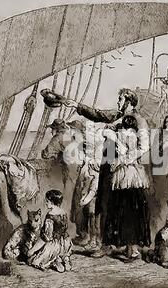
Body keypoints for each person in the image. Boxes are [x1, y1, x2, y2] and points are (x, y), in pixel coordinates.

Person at [63, 88, 149, 258]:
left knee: (126, 207)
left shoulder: (139, 121)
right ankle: (107, 243)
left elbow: (144, 147)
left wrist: (123, 159)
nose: (118, 102)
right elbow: (98, 114)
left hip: (125, 171)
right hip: (108, 165)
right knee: (105, 203)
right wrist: (76, 105)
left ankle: (129, 247)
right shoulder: (118, 116)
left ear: (129, 102)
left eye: (121, 100)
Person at [102, 115, 151, 260]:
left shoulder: (121, 135)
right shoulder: (136, 135)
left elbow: (125, 154)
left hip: (125, 174)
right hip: (133, 174)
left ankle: (129, 247)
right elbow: (140, 150)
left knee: (123, 210)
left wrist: (120, 160)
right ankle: (131, 248)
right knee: (132, 211)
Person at [70, 125, 104, 250]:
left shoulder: (94, 164)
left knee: (93, 217)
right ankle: (88, 237)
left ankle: (95, 241)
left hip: (92, 194)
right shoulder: (85, 162)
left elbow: (94, 182)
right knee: (86, 215)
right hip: (85, 191)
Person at [27, 190, 72, 272]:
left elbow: (47, 236)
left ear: (51, 202)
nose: (46, 203)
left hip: (53, 246)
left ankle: (55, 262)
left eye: (47, 201)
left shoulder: (50, 215)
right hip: (65, 243)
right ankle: (64, 259)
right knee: (61, 252)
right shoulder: (63, 213)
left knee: (33, 260)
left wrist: (32, 250)